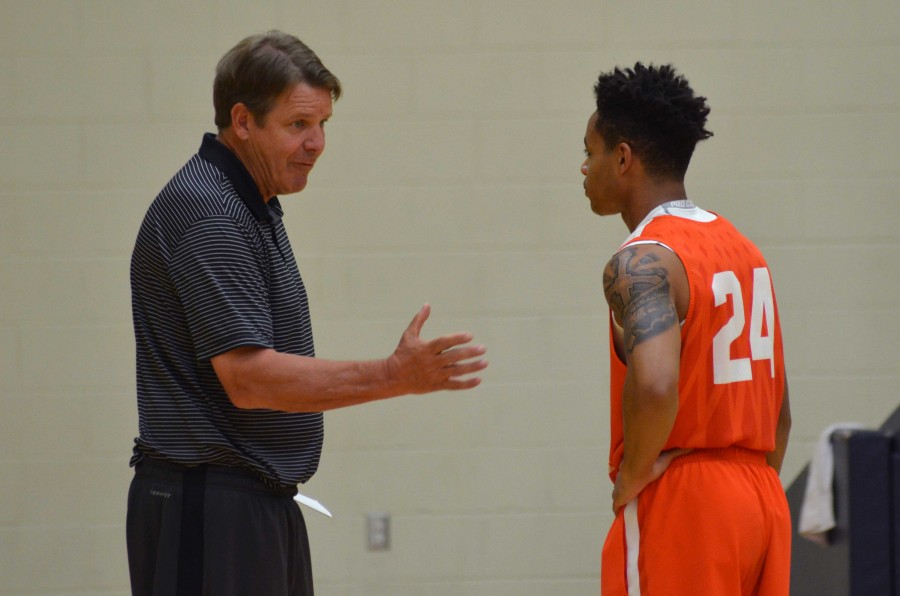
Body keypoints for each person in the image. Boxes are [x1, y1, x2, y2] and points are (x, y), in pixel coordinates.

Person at [126, 30, 488, 596]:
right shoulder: (211, 211)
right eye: (298, 125)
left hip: (246, 502)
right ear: (242, 121)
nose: (317, 143)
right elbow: (247, 379)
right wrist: (394, 376)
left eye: (323, 125)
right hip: (208, 507)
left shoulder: (250, 201)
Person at [580, 63, 792, 595]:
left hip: (686, 501)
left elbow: (655, 384)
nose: (584, 167)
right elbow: (781, 415)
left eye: (591, 151)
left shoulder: (642, 260)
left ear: (623, 158)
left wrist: (633, 472)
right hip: (763, 499)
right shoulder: (746, 251)